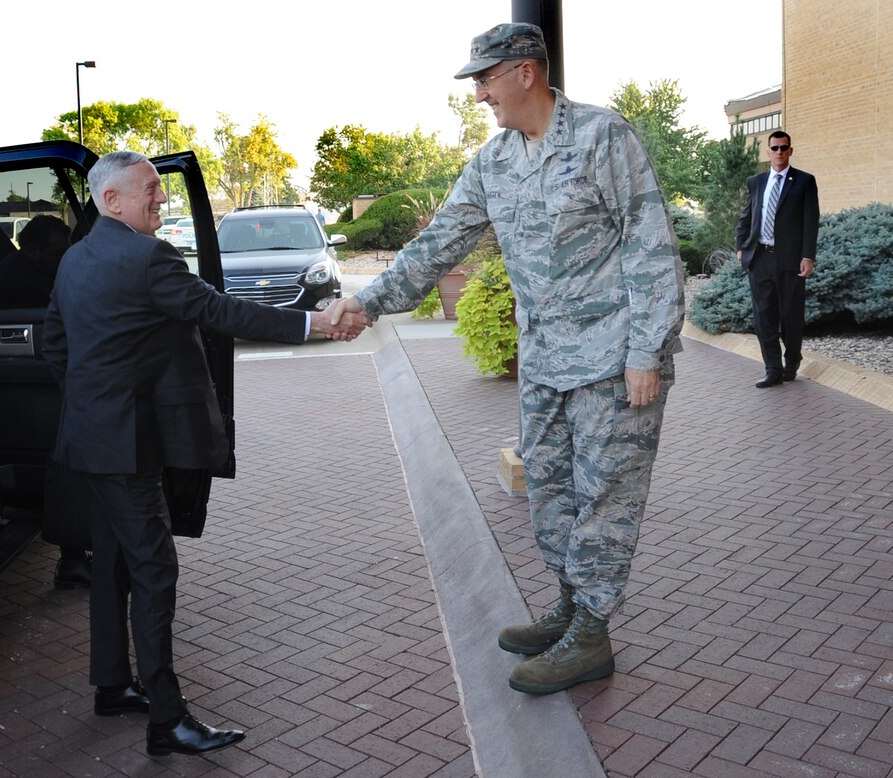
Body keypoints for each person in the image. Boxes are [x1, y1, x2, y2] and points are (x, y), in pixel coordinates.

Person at [329, 23, 684, 696]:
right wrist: (369, 302)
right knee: (550, 492)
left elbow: (649, 243)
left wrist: (648, 351)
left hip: (614, 360)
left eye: (485, 79)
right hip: (547, 362)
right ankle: (571, 607)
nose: (479, 94)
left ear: (526, 72)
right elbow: (439, 242)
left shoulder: (604, 136)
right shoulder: (494, 163)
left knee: (607, 496)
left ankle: (592, 634)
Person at [42, 151, 368, 756]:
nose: (160, 201)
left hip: (89, 441)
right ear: (111, 201)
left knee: (111, 561)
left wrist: (93, 403)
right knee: (153, 569)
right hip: (129, 448)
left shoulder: (73, 259)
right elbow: (219, 310)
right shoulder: (147, 257)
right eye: (149, 192)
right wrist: (314, 324)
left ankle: (113, 686)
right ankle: (167, 721)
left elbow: (53, 344)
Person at [0, 214, 94, 589]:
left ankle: (75, 554)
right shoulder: (24, 284)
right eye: (59, 251)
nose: (67, 258)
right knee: (71, 466)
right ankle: (74, 557)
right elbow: (55, 336)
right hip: (41, 395)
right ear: (31, 250)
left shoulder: (24, 272)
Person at [735, 131, 820, 387]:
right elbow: (746, 217)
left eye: (784, 148)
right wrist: (741, 245)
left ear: (790, 151)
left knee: (791, 316)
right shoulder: (756, 181)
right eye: (775, 148)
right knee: (764, 317)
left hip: (791, 261)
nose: (780, 152)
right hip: (760, 258)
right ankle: (772, 369)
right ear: (768, 151)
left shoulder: (804, 181)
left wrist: (808, 256)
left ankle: (791, 362)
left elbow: (810, 222)